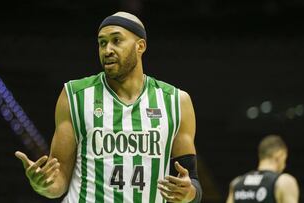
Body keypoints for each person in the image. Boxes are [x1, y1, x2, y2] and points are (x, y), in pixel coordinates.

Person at [15, 11, 202, 203]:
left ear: (140, 46)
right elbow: (59, 179)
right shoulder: (75, 95)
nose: (107, 50)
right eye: (102, 43)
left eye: (116, 40)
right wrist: (43, 185)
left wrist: (189, 193)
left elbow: (192, 182)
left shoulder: (176, 101)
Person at [226, 134, 299, 203]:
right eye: (285, 159)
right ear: (279, 155)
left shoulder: (236, 183)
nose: (284, 165)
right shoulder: (284, 182)